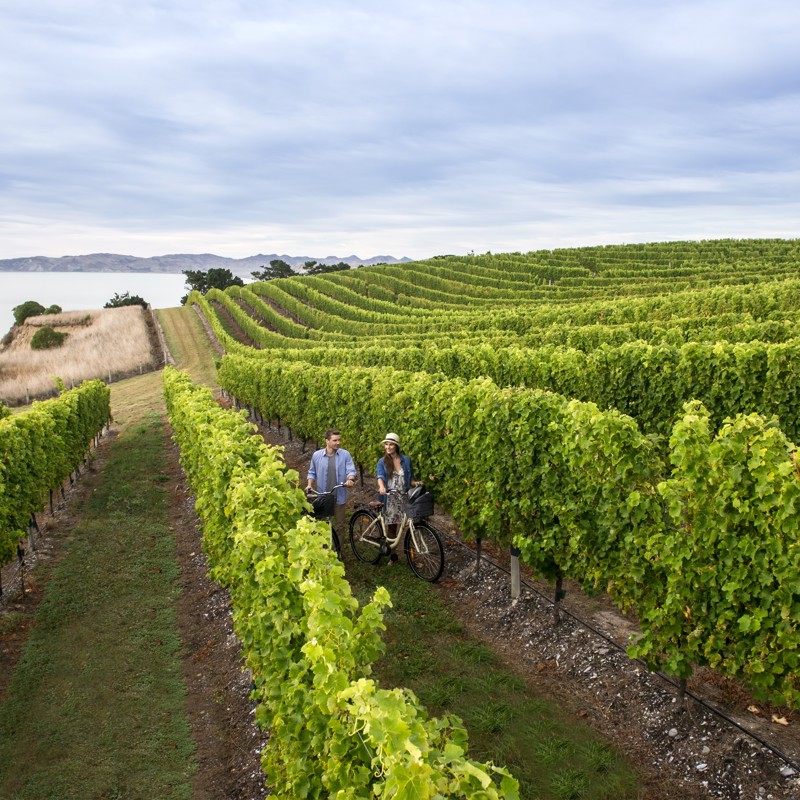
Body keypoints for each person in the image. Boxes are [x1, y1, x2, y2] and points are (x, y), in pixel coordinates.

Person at [375, 432, 419, 562]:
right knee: (392, 527)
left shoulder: (406, 460)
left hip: (404, 496)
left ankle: (412, 555)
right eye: (386, 444)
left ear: (396, 446)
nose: (388, 447)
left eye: (391, 444)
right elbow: (380, 477)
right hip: (390, 497)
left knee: (411, 525)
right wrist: (381, 487)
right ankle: (393, 555)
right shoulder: (382, 461)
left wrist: (416, 483)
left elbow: (410, 479)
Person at [306, 429, 357, 540]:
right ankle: (323, 547)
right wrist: (309, 484)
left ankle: (339, 548)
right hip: (322, 496)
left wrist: (350, 479)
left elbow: (351, 470)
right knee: (321, 526)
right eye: (335, 440)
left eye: (339, 440)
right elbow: (312, 472)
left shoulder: (345, 455)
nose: (338, 443)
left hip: (339, 496)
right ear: (327, 441)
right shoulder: (317, 455)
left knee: (340, 526)